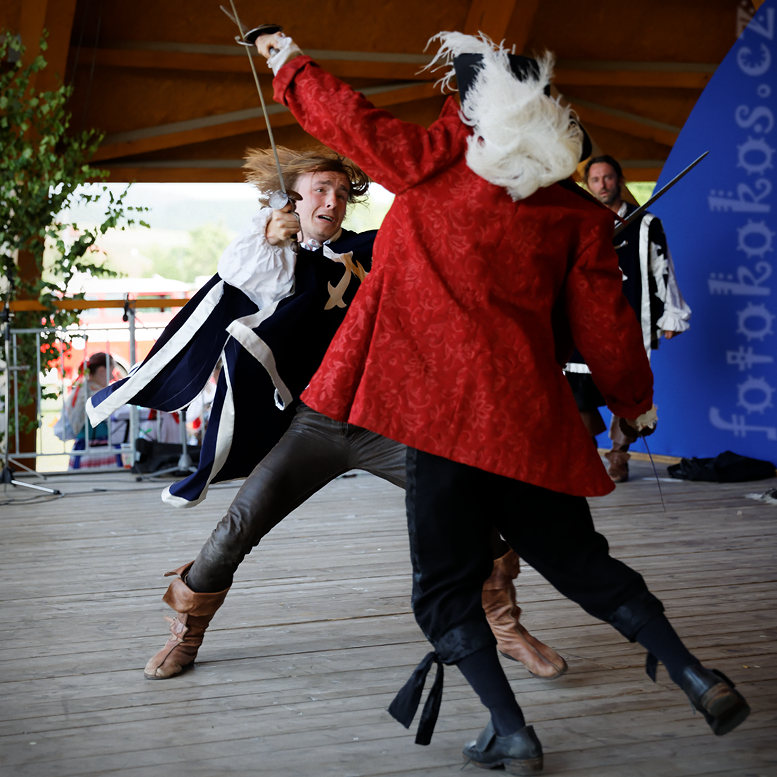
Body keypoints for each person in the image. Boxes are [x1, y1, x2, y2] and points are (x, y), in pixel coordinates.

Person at [254, 28, 750, 772]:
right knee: (583, 563)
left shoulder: (428, 169)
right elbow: (608, 332)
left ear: (468, 106)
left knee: (445, 589)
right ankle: (692, 673)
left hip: (439, 422)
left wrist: (284, 61)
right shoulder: (576, 215)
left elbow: (348, 119)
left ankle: (509, 730)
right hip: (527, 427)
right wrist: (633, 404)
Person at [86, 146, 566, 682]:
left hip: (381, 420)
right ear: (292, 197)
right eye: (320, 189)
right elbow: (244, 284)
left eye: (340, 193)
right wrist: (271, 236)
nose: (332, 201)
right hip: (312, 425)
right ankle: (187, 634)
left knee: (469, 505)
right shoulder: (277, 257)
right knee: (237, 527)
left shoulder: (375, 248)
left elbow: (449, 243)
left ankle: (503, 625)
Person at [566, 155, 691, 482]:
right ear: (587, 185)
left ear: (619, 181)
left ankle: (619, 456)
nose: (602, 185)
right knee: (578, 388)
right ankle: (585, 453)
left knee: (628, 388)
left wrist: (672, 313)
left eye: (608, 178)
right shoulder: (578, 221)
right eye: (595, 180)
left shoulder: (646, 224)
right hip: (586, 320)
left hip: (630, 317)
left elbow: (663, 268)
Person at [62, 352, 124, 469]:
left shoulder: (80, 390)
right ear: (101, 370)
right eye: (111, 371)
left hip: (84, 447)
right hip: (98, 450)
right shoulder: (95, 394)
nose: (112, 377)